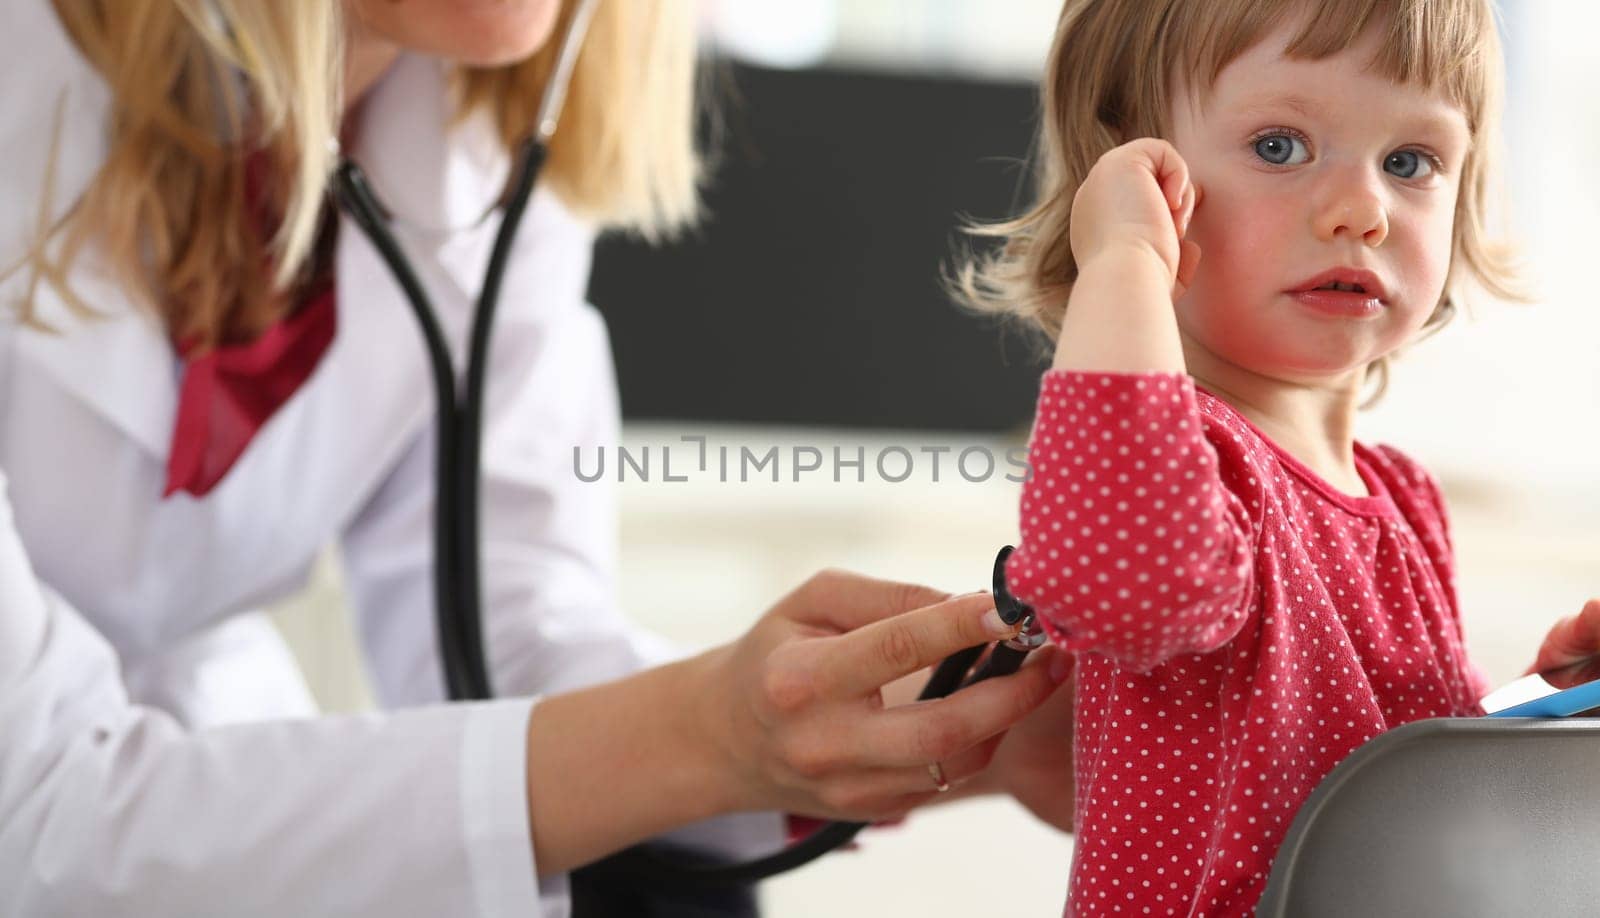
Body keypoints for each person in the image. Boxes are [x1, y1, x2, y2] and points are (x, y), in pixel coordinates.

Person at [0, 0, 1076, 914]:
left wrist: (936, 722)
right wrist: (703, 734)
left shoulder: (470, 149)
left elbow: (504, 649)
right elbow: (32, 811)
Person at [958, 0, 1599, 913]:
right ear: (1131, 171)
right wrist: (1124, 257)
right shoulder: (1192, 465)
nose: (1363, 211)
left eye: (1411, 163)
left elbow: (1392, 797)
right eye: (1279, 147)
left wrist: (1545, 707)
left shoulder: (1403, 500)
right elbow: (1112, 587)